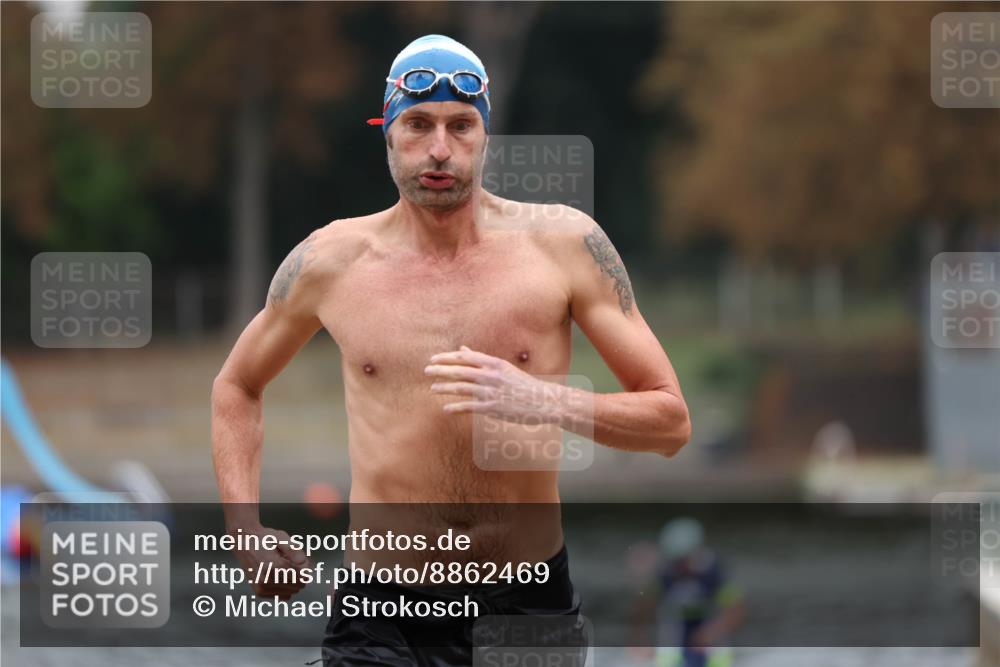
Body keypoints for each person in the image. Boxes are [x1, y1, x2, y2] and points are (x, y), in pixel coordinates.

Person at [211, 33, 691, 666]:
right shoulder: (330, 261)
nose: (439, 148)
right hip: (380, 613)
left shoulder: (564, 247)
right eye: (418, 125)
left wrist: (541, 398)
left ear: (485, 135)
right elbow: (237, 387)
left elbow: (670, 422)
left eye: (461, 125)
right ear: (387, 132)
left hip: (525, 605)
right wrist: (244, 530)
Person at [635, 518, 745, 667]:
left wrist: (711, 633)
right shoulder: (665, 573)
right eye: (676, 560)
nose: (680, 566)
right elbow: (644, 607)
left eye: (684, 560)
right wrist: (640, 641)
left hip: (709, 626)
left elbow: (736, 611)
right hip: (676, 627)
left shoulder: (715, 573)